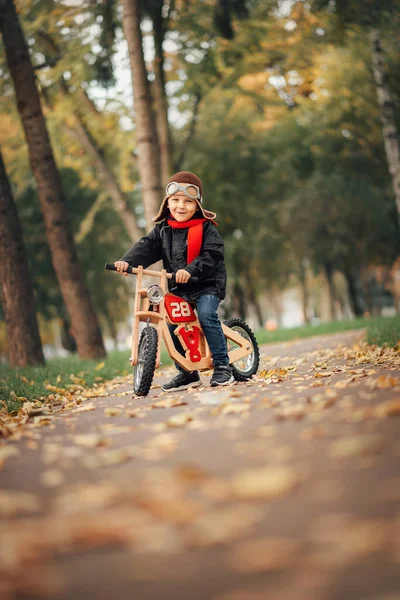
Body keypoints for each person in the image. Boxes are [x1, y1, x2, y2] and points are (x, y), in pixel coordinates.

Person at [114, 171, 234, 391]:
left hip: (207, 283)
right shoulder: (163, 230)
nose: (181, 206)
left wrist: (191, 270)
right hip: (180, 288)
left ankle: (222, 366)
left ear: (197, 205)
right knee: (171, 322)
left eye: (188, 202)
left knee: (207, 315)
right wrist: (126, 261)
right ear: (167, 203)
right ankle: (187, 373)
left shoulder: (206, 229)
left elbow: (213, 255)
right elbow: (146, 246)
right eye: (176, 200)